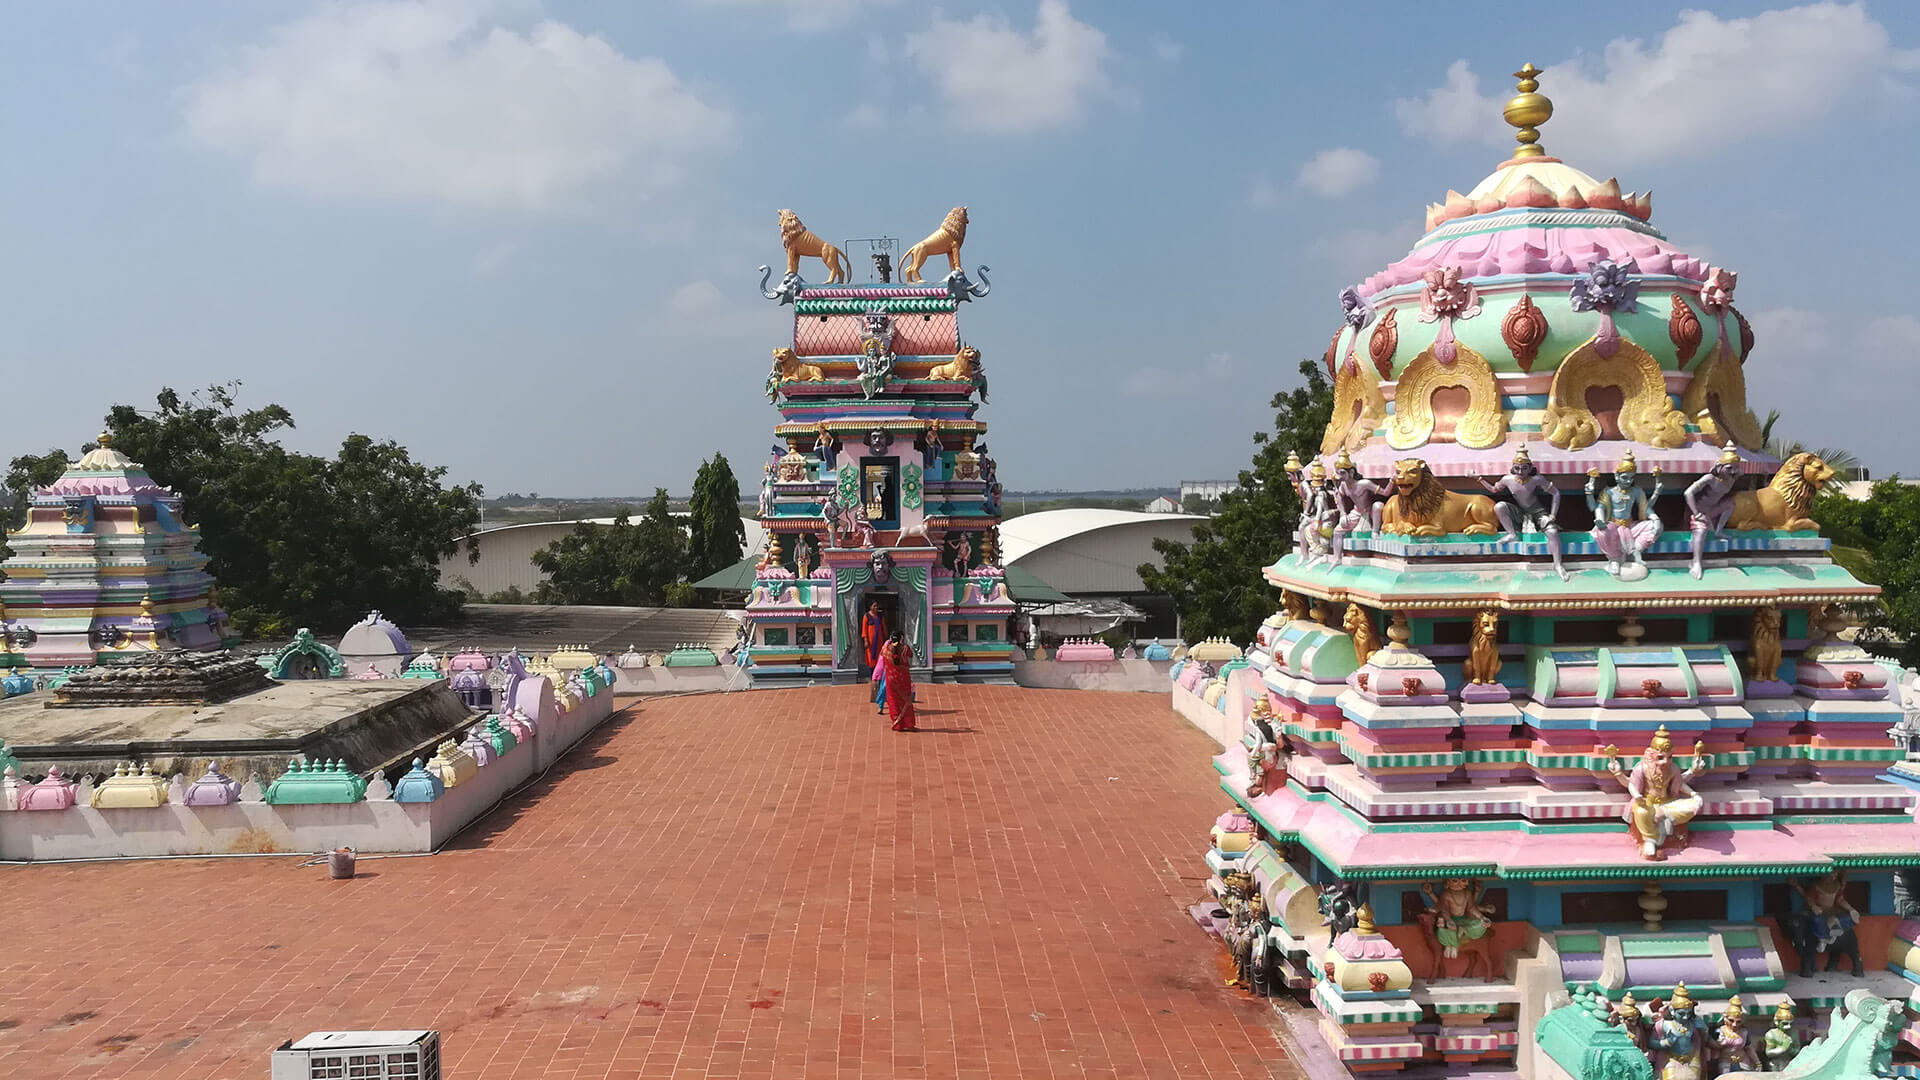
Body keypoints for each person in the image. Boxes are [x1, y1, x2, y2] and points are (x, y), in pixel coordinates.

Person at [881, 635, 917, 731]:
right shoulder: (905, 649)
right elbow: (911, 654)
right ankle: (909, 724)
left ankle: (897, 724)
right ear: (901, 639)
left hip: (891, 680)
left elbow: (882, 655)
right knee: (906, 701)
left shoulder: (885, 650)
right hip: (903, 679)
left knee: (893, 701)